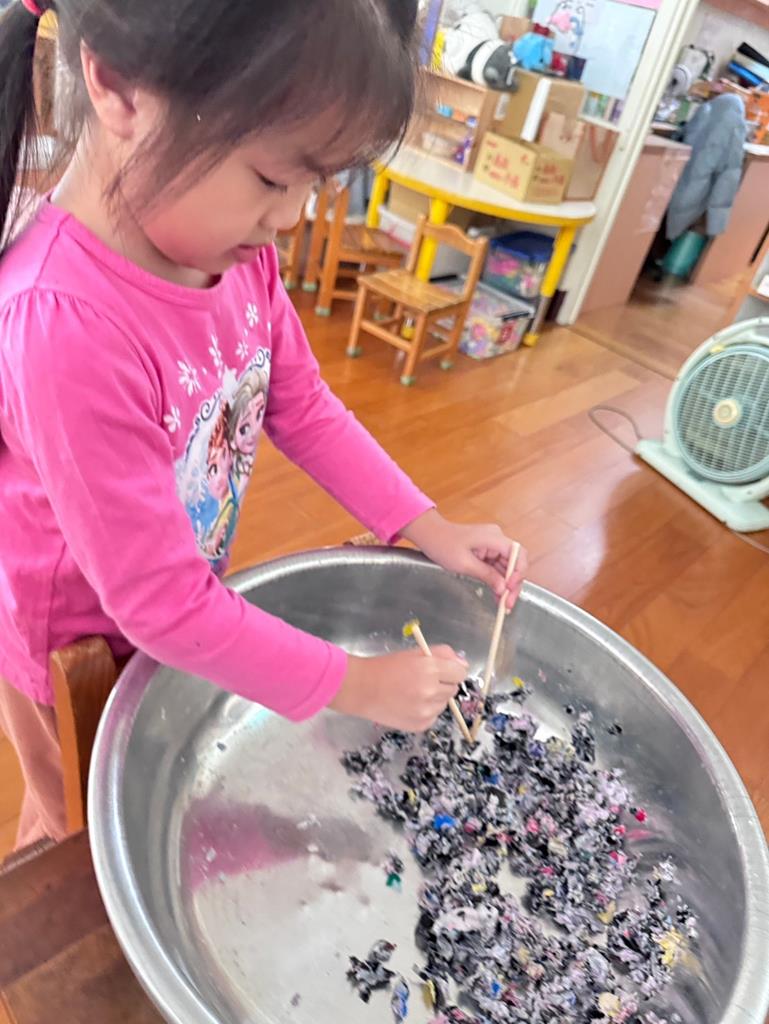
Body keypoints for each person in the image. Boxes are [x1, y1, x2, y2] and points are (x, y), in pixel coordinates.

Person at [0, 0, 527, 852]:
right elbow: (161, 604)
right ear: (119, 88)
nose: (292, 217)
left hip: (172, 614)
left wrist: (430, 527)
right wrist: (358, 684)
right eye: (274, 180)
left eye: (317, 183)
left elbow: (304, 406)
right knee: (72, 840)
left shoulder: (234, 255)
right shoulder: (64, 324)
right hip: (79, 657)